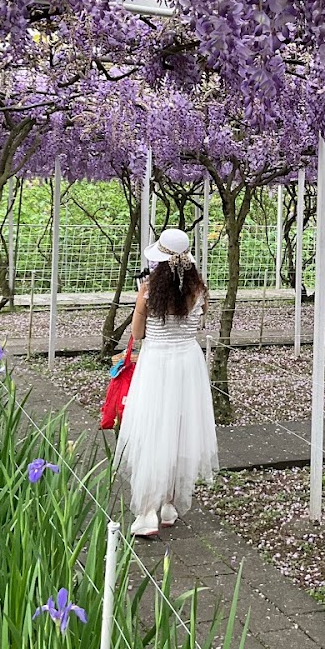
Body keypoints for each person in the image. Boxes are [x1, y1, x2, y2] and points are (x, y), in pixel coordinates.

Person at [115, 228, 218, 539]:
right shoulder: (200, 291)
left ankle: (147, 511)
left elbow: (137, 335)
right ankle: (170, 504)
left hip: (158, 364)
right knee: (180, 430)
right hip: (188, 363)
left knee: (152, 431)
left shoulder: (147, 292)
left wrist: (142, 303)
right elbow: (198, 325)